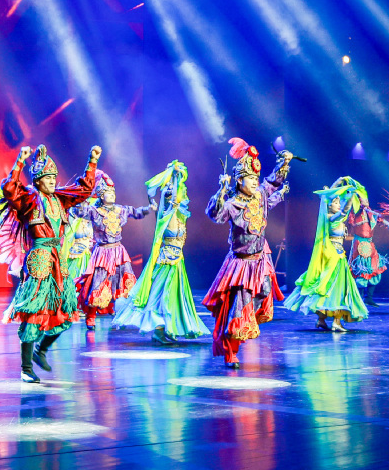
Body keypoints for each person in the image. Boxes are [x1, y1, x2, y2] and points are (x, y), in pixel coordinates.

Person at [0, 144, 100, 383]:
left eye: (54, 177)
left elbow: (84, 190)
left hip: (58, 261)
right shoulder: (29, 200)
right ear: (38, 180)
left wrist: (92, 161)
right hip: (40, 259)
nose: (53, 181)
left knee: (66, 311)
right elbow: (9, 189)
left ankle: (41, 350)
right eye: (48, 177)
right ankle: (25, 368)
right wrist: (19, 162)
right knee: (34, 312)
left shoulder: (60, 199)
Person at [203, 138, 295, 368]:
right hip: (241, 265)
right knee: (238, 309)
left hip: (260, 261)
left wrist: (284, 162)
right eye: (250, 178)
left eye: (256, 178)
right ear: (239, 181)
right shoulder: (233, 204)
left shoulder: (261, 195)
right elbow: (215, 215)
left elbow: (272, 182)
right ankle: (231, 351)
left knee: (262, 295)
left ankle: (244, 325)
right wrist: (221, 191)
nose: (255, 182)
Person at [112, 161, 208, 344]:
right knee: (161, 295)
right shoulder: (166, 210)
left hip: (177, 261)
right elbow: (169, 200)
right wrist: (174, 180)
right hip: (166, 261)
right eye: (179, 192)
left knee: (174, 297)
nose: (183, 195)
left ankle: (169, 328)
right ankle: (158, 330)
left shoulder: (180, 215)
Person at [284, 176, 369, 332]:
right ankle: (336, 322)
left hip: (335, 255)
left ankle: (321, 320)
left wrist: (338, 181)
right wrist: (351, 196)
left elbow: (331, 196)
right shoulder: (331, 218)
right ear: (329, 206)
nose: (338, 204)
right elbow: (344, 210)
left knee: (326, 286)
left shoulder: (332, 218)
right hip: (335, 257)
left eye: (339, 202)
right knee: (338, 288)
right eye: (335, 202)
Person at [73, 172, 154, 330]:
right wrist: (81, 195)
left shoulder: (120, 210)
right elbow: (79, 211)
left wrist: (148, 209)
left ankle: (118, 313)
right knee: (98, 283)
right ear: (101, 196)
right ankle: (91, 317)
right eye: (108, 193)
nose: (112, 195)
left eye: (113, 193)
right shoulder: (94, 211)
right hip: (102, 253)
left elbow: (135, 212)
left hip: (119, 252)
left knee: (122, 282)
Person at [346, 196, 389, 306]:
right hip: (359, 244)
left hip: (370, 244)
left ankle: (368, 298)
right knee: (361, 270)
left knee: (374, 268)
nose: (366, 202)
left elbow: (380, 219)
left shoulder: (371, 213)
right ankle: (358, 299)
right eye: (363, 200)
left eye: (366, 200)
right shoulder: (355, 213)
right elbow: (350, 221)